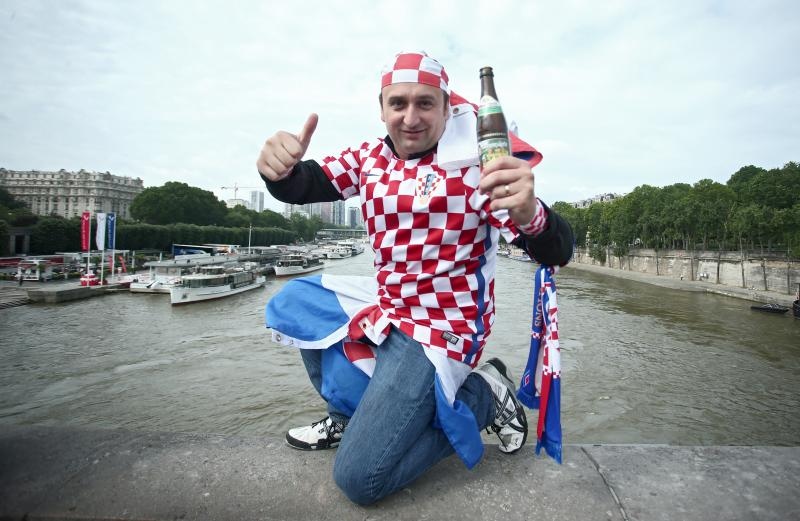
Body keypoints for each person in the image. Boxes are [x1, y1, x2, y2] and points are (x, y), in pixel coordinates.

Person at [256, 51, 574, 505]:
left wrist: (532, 214)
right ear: (382, 109)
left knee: (360, 479)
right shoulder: (368, 158)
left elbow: (555, 250)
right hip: (389, 305)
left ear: (447, 108)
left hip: (441, 328)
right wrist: (278, 169)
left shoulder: (476, 169)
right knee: (294, 303)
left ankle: (487, 391)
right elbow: (305, 184)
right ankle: (347, 413)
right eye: (398, 104)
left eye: (425, 104)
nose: (410, 118)